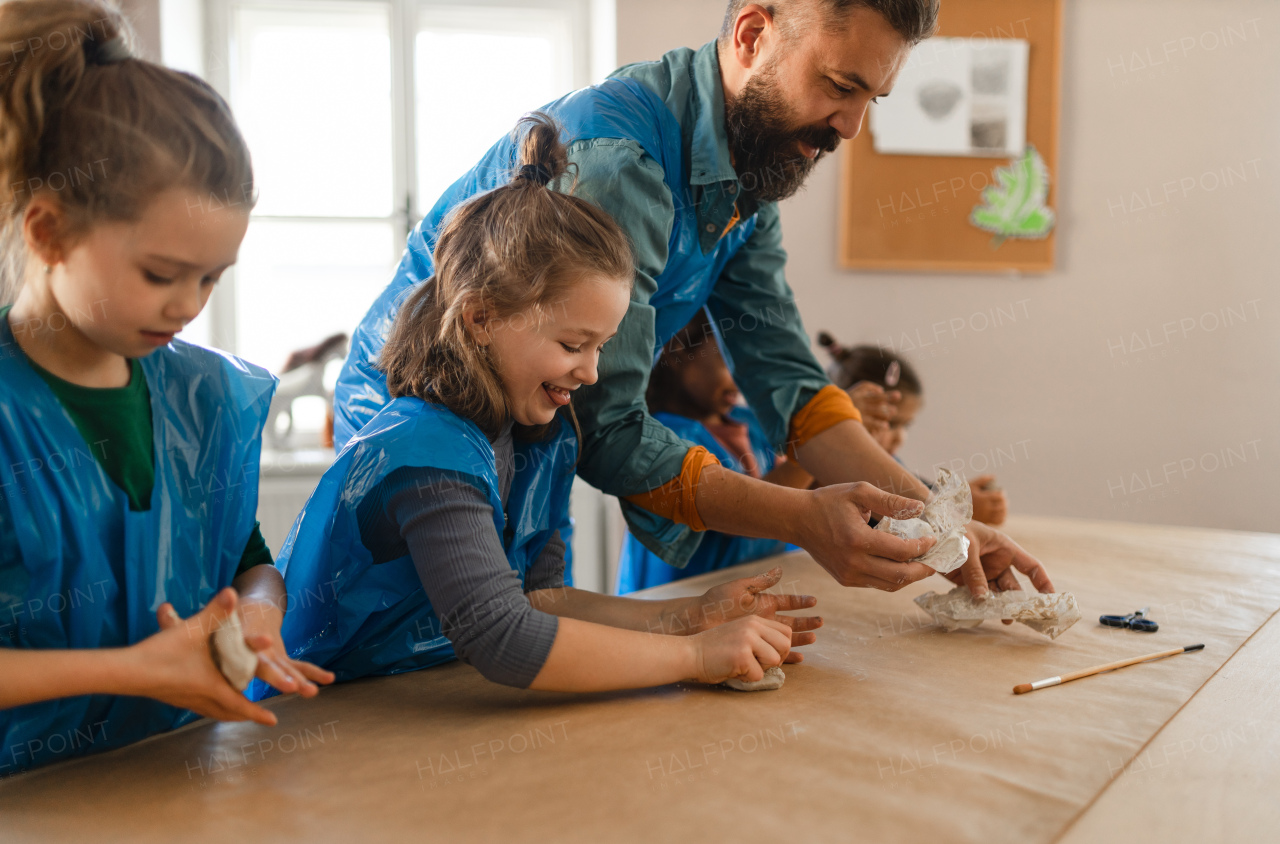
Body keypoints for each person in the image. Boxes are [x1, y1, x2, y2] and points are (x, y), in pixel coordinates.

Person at [331, 0, 1052, 600]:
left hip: (533, 444)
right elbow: (606, 422)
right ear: (751, 34)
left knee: (527, 662)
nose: (851, 127)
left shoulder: (750, 173)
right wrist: (803, 519)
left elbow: (790, 382)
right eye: (839, 85)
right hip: (421, 433)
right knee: (427, 685)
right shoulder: (617, 164)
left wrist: (937, 524)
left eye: (870, 97)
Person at [273, 115, 821, 692]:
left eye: (602, 347)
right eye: (571, 345)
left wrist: (689, 619)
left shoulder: (544, 436)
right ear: (481, 318)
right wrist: (696, 658)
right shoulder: (424, 451)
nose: (590, 372)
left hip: (418, 706)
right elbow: (502, 636)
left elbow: (543, 600)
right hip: (324, 720)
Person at [0, 0, 332, 775]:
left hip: (172, 781)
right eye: (160, 275)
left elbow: (248, 559)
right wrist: (132, 669)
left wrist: (257, 611)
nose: (188, 306)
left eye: (212, 277)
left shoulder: (202, 398)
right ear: (48, 232)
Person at [617, 310, 811, 593]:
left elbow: (806, 491)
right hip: (679, 608)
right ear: (677, 351)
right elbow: (748, 514)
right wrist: (815, 448)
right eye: (728, 358)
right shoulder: (660, 439)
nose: (743, 375)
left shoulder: (752, 422)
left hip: (746, 603)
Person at [819, 335, 1009, 525]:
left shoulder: (892, 464)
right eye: (890, 424)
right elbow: (900, 510)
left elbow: (920, 491)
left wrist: (960, 498)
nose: (900, 437)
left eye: (906, 425)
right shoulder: (821, 467)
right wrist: (958, 510)